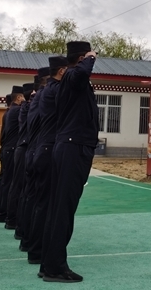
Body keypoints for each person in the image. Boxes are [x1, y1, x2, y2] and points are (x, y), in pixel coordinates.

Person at [41, 42, 98, 283]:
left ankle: (49, 263)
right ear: (81, 58)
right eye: (88, 57)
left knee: (59, 208)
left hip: (70, 147)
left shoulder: (71, 81)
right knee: (63, 209)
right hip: (73, 149)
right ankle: (55, 267)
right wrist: (90, 58)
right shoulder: (73, 76)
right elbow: (81, 72)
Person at [23, 60, 68, 264]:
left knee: (35, 200)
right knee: (44, 203)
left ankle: (30, 243)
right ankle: (36, 250)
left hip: (36, 149)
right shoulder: (50, 93)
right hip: (45, 150)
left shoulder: (38, 97)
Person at [17, 67, 51, 248]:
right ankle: (33, 243)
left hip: (32, 150)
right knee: (38, 199)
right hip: (38, 150)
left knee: (30, 195)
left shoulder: (32, 102)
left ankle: (25, 236)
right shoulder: (43, 98)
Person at [5, 82, 34, 231]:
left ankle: (9, 216)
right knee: (17, 185)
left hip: (15, 148)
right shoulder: (21, 110)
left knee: (12, 183)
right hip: (19, 148)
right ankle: (12, 218)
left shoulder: (16, 110)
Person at [0, 86, 24, 223]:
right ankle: (4, 212)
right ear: (18, 98)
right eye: (23, 97)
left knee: (4, 180)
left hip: (6, 148)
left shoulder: (9, 111)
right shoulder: (17, 111)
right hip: (11, 148)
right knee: (9, 182)